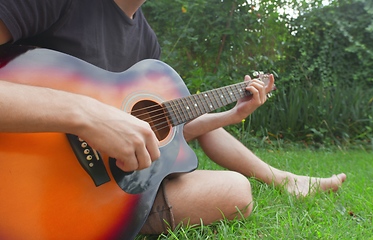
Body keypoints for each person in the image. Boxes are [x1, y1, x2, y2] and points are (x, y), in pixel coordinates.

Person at [0, 0, 346, 235]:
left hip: (96, 186)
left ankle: (284, 179)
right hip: (20, 170)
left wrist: (230, 114)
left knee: (233, 191)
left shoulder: (146, 43)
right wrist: (85, 114)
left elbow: (168, 130)